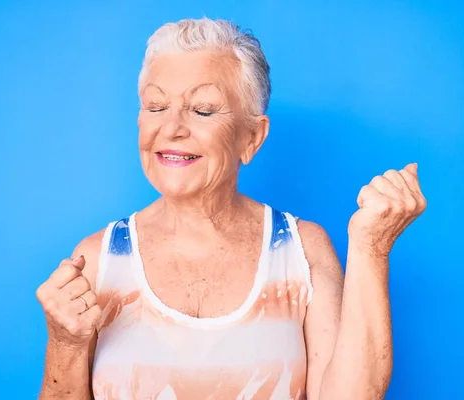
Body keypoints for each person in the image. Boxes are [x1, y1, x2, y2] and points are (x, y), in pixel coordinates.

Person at [35, 18, 426, 400]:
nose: (171, 128)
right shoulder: (96, 261)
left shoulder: (303, 251)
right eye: (155, 106)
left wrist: (371, 247)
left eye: (202, 110)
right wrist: (65, 344)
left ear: (251, 137)